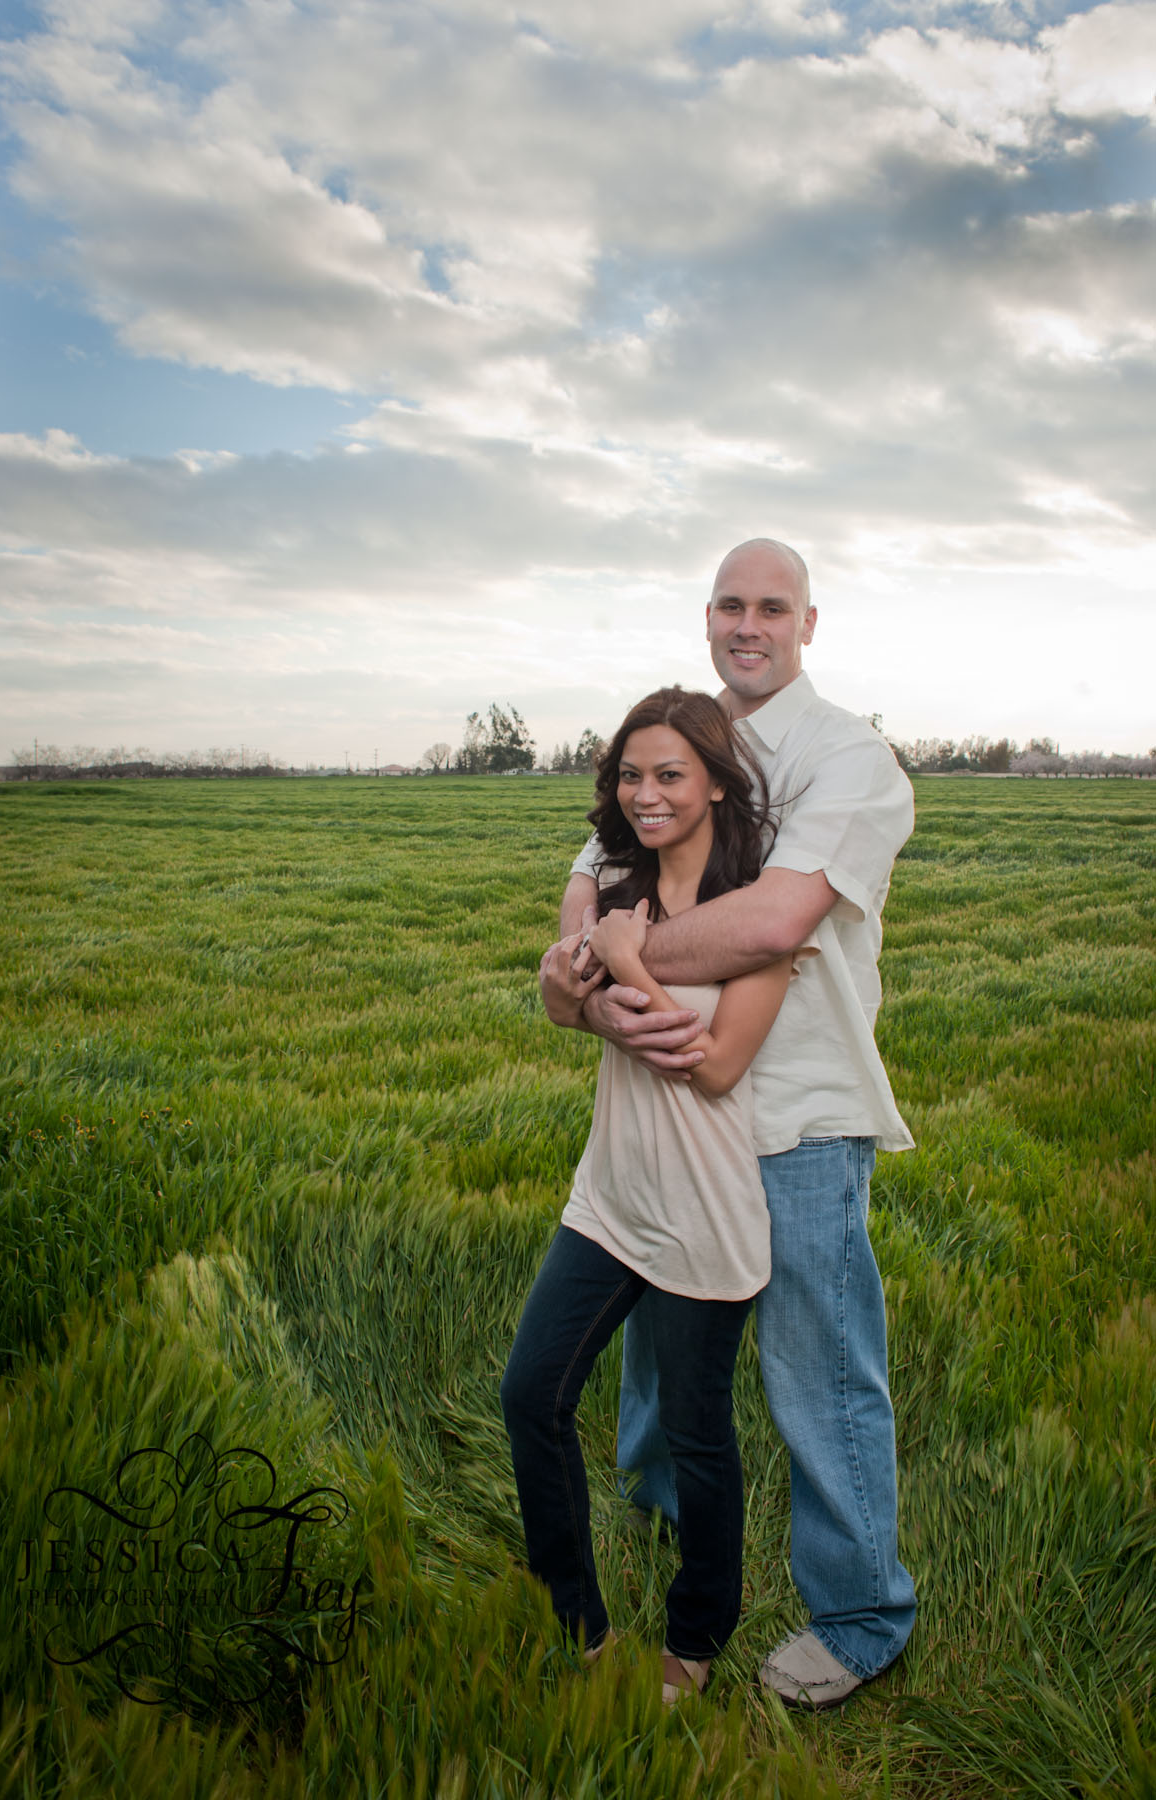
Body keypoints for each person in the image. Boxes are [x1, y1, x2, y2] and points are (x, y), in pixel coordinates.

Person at [539, 537, 917, 1710]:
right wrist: (571, 981)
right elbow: (583, 895)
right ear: (707, 617)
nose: (746, 623)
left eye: (772, 606)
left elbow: (771, 925)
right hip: (663, 1118)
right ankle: (669, 1521)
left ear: (809, 624)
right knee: (660, 1361)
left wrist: (616, 956)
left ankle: (859, 1617)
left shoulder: (847, 757)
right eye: (728, 604)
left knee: (817, 1371)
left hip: (794, 1115)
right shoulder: (684, 746)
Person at [502, 686, 812, 1705]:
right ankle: (578, 1628)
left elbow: (716, 1065)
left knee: (696, 1437)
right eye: (629, 774)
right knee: (529, 1396)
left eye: (669, 773)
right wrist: (580, 987)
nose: (644, 793)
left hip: (704, 1217)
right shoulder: (608, 885)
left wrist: (623, 966)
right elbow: (564, 993)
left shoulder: (759, 912)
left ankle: (693, 1639)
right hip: (608, 1199)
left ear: (716, 780)